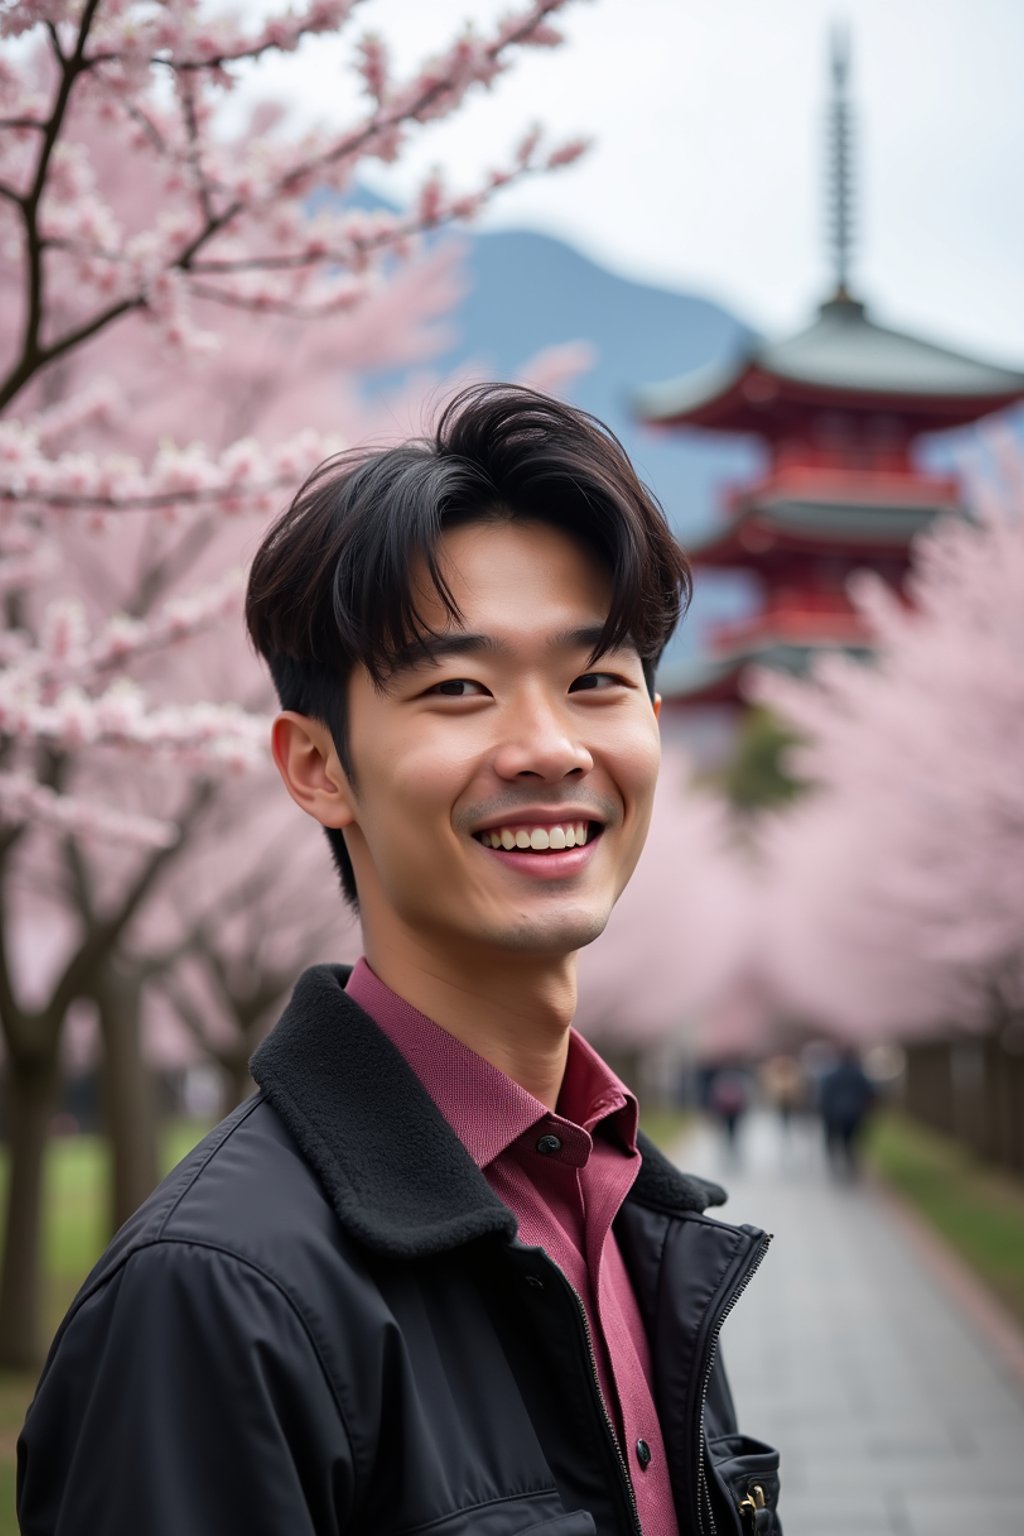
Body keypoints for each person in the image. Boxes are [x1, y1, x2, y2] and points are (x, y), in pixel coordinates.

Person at [19, 386, 782, 1535]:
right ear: (317, 766)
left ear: (656, 725)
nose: (546, 747)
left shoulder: (629, 1210)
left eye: (594, 682)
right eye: (458, 691)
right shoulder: (216, 1301)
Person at [819, 1046, 877, 1180]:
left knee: (833, 1138)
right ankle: (849, 1160)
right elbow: (871, 1093)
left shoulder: (832, 1075)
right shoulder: (859, 1074)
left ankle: (835, 1160)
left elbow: (825, 1094)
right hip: (854, 1112)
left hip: (834, 1113)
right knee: (849, 1140)